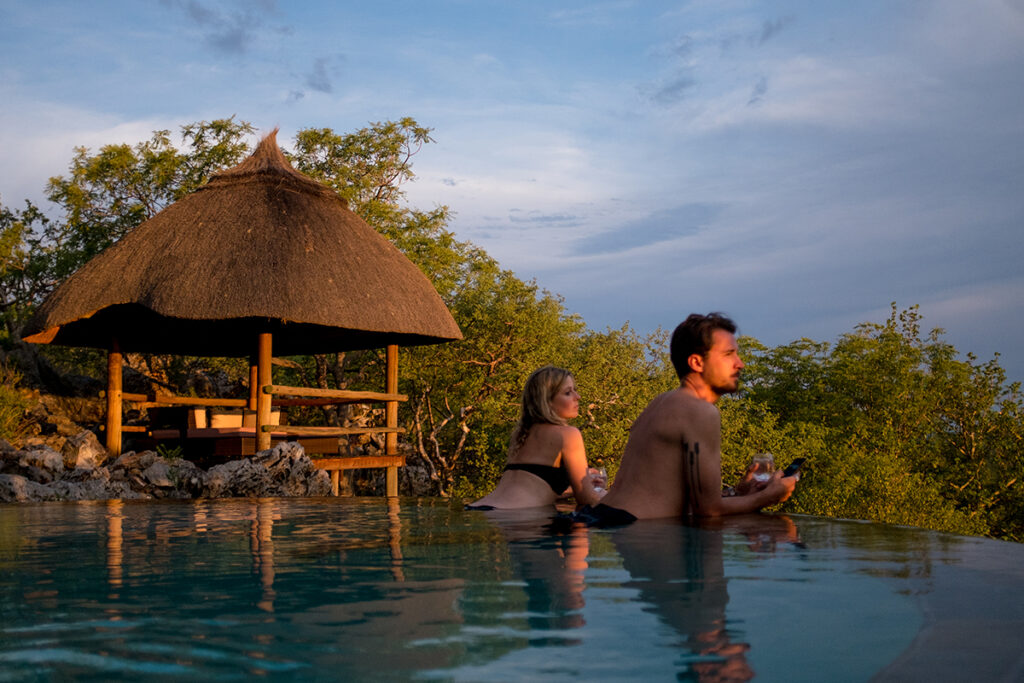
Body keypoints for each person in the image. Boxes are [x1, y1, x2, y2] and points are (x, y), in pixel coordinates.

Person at [582, 313, 797, 526]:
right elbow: (709, 511)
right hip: (630, 527)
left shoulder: (662, 402)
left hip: (602, 518)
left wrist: (738, 493)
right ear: (697, 362)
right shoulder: (700, 411)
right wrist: (769, 496)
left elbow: (679, 498)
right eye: (728, 354)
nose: (739, 364)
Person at [466, 366, 605, 510]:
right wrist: (602, 492)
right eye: (568, 393)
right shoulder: (569, 434)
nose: (578, 397)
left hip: (478, 509)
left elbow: (534, 490)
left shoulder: (521, 434)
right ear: (547, 401)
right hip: (515, 516)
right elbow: (586, 499)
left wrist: (576, 487)